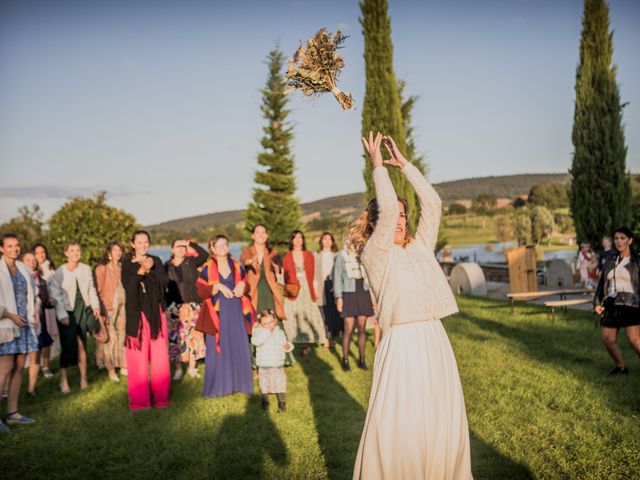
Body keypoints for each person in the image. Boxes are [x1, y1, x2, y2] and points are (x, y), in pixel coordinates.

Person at [350, 133, 472, 479]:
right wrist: (377, 167)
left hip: (434, 339)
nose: (400, 219)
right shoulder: (375, 255)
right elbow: (386, 210)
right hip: (401, 345)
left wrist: (405, 165)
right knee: (402, 422)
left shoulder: (420, 247)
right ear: (375, 225)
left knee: (438, 416)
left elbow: (433, 206)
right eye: (395, 215)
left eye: (404, 214)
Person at [198, 235, 254, 398]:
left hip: (236, 310)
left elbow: (247, 285)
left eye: (225, 244)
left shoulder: (237, 266)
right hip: (217, 313)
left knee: (237, 344)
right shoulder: (207, 268)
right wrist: (218, 286)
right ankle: (219, 387)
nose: (223, 247)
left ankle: (240, 384)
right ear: (212, 249)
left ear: (228, 247)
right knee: (220, 347)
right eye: (219, 245)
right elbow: (201, 291)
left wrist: (244, 285)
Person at [121, 230, 170, 410]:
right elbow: (129, 286)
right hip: (137, 316)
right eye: (139, 242)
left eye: (146, 242)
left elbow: (164, 284)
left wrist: (150, 270)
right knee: (137, 360)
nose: (143, 245)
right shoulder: (126, 264)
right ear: (133, 244)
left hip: (156, 315)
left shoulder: (156, 261)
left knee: (160, 360)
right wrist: (141, 271)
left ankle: (161, 399)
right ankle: (140, 402)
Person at [49, 242, 101, 394]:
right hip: (66, 312)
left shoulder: (85, 269)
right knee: (68, 346)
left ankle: (83, 378)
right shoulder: (59, 272)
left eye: (78, 250)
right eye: (71, 251)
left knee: (81, 344)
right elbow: (55, 295)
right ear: (66, 253)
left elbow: (91, 289)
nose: (75, 253)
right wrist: (62, 315)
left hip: (82, 309)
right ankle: (63, 379)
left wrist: (95, 305)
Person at [240, 224, 294, 365]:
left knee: (274, 320)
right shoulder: (247, 252)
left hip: (270, 291)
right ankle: (256, 360)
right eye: (257, 232)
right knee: (256, 323)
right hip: (254, 292)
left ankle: (281, 357)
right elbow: (242, 264)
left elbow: (280, 270)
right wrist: (249, 262)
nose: (260, 235)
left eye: (263, 232)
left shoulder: (273, 252)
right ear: (253, 235)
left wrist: (278, 269)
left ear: (267, 235)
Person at [0, 234, 37, 431]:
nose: (15, 249)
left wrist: (33, 313)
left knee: (19, 367)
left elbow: (31, 294)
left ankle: (12, 413)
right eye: (9, 246)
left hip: (24, 325)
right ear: (1, 248)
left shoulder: (23, 268)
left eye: (17, 245)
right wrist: (8, 314)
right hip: (6, 324)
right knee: (4, 368)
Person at [593, 227, 640, 375]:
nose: (619, 241)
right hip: (611, 303)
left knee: (633, 339)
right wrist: (596, 303)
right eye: (616, 238)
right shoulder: (610, 261)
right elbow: (601, 284)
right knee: (607, 338)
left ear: (630, 240)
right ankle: (621, 367)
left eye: (622, 238)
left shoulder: (636, 261)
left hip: (631, 303)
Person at [165, 239, 208, 380]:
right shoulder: (166, 266)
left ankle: (191, 367)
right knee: (175, 338)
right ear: (172, 250)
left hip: (192, 305)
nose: (181, 249)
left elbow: (204, 255)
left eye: (183, 247)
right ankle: (178, 369)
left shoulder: (191, 262)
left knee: (194, 337)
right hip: (174, 306)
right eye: (178, 247)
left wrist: (190, 243)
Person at [282, 230, 328, 356]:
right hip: (294, 289)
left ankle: (311, 342)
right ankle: (293, 341)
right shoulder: (287, 256)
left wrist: (315, 288)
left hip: (307, 287)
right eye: (295, 238)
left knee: (308, 313)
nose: (298, 240)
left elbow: (313, 274)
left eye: (300, 237)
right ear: (291, 240)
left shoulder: (309, 255)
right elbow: (284, 275)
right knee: (293, 314)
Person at [333, 242, 374, 371]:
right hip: (348, 293)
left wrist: (373, 297)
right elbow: (337, 277)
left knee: (362, 327)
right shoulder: (342, 255)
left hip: (363, 291)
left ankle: (362, 359)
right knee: (348, 328)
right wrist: (339, 297)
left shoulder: (365, 253)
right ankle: (345, 360)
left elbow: (371, 275)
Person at [21, 251, 55, 396]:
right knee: (18, 358)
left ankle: (31, 388)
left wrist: (50, 303)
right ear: (22, 262)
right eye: (28, 260)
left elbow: (45, 301)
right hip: (21, 320)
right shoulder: (18, 279)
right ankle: (4, 390)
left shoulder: (41, 281)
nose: (32, 262)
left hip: (37, 321)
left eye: (34, 260)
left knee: (36, 354)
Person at [94, 241, 128, 383]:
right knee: (109, 339)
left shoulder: (123, 268)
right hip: (108, 307)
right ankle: (111, 369)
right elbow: (97, 290)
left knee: (121, 336)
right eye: (115, 250)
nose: (118, 253)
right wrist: (101, 311)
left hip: (122, 308)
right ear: (109, 253)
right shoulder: (102, 269)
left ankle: (122, 364)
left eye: (120, 250)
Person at [251, 309, 293, 412]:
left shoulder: (279, 332)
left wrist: (288, 346)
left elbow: (283, 343)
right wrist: (266, 331)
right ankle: (265, 402)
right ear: (260, 324)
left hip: (277, 363)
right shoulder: (258, 332)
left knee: (280, 382)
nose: (269, 325)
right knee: (264, 383)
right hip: (264, 364)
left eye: (271, 322)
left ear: (275, 320)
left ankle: (282, 403)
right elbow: (257, 342)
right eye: (266, 323)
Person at [33, 243, 57, 378]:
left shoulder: (51, 269)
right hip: (38, 310)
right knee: (39, 338)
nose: (40, 255)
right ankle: (38, 364)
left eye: (42, 252)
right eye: (37, 253)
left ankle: (46, 365)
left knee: (48, 338)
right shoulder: (32, 270)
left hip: (50, 308)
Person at [315, 232, 341, 351]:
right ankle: (325, 338)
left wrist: (336, 286)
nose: (327, 241)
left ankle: (333, 338)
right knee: (323, 313)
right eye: (324, 239)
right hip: (321, 287)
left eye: (329, 239)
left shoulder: (337, 255)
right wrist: (315, 287)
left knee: (334, 313)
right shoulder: (317, 256)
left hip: (334, 285)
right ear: (321, 241)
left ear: (332, 241)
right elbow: (314, 274)